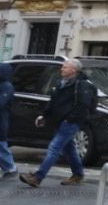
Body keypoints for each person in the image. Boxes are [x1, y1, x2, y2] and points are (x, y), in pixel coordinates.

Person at [19, 59, 97, 188]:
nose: (62, 69)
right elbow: (53, 102)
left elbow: (84, 105)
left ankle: (37, 177)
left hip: (71, 122)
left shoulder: (82, 85)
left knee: (54, 148)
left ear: (74, 70)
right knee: (69, 149)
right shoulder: (61, 83)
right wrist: (44, 115)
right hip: (60, 121)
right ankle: (78, 174)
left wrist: (70, 119)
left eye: (65, 67)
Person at [0, 61, 16, 179]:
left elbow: (1, 103)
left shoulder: (7, 86)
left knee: (1, 146)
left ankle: (10, 168)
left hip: (1, 121)